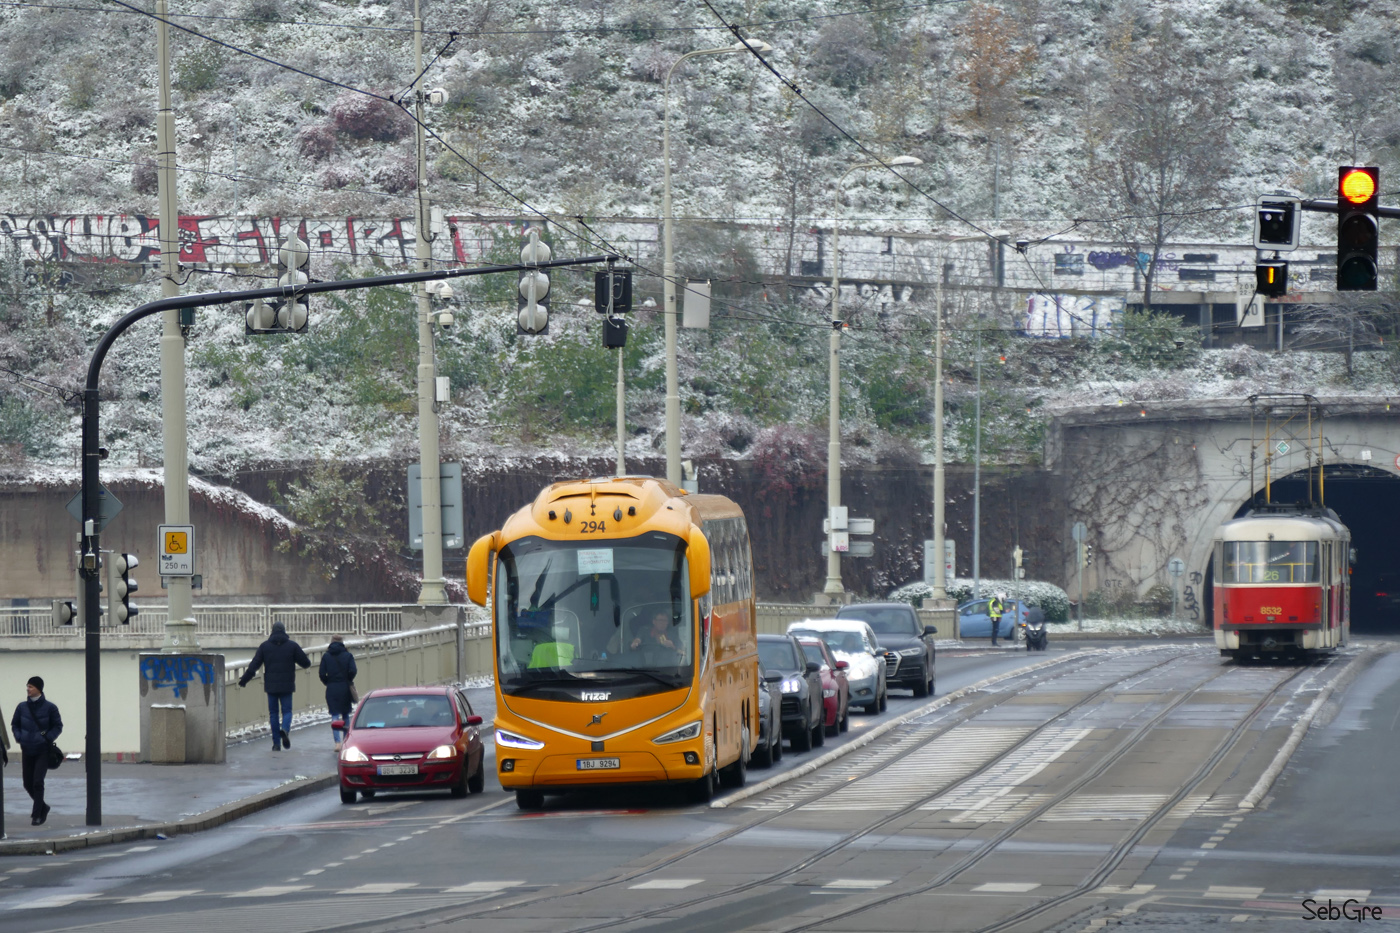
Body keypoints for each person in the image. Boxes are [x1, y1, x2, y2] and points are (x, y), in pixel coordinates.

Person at [238, 622, 311, 751]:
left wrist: (244, 680)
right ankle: (285, 729)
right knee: (287, 711)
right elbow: (305, 663)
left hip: (271, 686)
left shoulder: (264, 647)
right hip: (287, 685)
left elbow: (254, 665)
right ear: (284, 631)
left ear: (272, 631)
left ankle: (276, 744)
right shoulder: (292, 646)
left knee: (273, 714)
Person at [11, 676, 61, 825]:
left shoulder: (50, 708)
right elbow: (15, 725)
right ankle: (44, 807)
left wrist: (47, 738)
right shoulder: (21, 707)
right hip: (27, 750)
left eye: (31, 686)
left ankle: (37, 815)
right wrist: (20, 738)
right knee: (27, 783)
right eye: (27, 686)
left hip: (42, 750)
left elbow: (58, 726)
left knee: (38, 782)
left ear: (39, 689)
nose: (28, 689)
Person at [319, 634, 358, 751]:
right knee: (345, 714)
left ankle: (337, 743)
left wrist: (328, 682)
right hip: (345, 687)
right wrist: (348, 679)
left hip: (331, 688)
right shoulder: (348, 655)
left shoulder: (326, 656)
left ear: (331, 642)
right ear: (342, 642)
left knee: (335, 715)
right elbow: (353, 670)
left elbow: (321, 674)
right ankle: (346, 740)